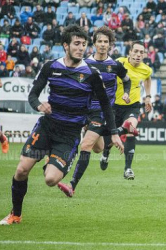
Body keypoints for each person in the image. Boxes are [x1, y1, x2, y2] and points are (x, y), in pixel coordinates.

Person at [0, 25, 124, 225]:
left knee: (50, 180)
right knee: (21, 170)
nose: (81, 48)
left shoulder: (91, 73)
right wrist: (39, 105)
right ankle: (16, 214)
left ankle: (57, 160)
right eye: (76, 44)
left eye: (83, 44)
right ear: (65, 45)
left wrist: (114, 133)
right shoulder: (51, 66)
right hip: (47, 127)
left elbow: (105, 106)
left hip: (69, 134)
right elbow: (33, 94)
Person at [57, 26, 137, 197]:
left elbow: (127, 81)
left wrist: (126, 93)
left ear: (110, 45)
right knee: (98, 148)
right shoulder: (84, 63)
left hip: (102, 111)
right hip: (84, 111)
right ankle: (123, 129)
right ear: (93, 44)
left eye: (106, 42)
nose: (102, 44)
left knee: (85, 145)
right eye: (99, 41)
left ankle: (72, 185)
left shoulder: (115, 65)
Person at [100, 41, 153, 180]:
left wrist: (147, 97)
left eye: (141, 52)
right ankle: (106, 153)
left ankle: (128, 169)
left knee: (131, 129)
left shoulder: (146, 69)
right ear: (129, 52)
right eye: (135, 51)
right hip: (114, 106)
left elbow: (147, 79)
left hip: (133, 105)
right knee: (108, 142)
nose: (138, 54)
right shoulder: (119, 63)